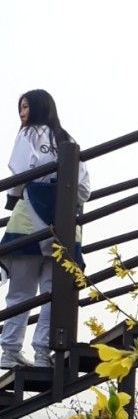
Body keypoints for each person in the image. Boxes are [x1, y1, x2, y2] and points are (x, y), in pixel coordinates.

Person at [0, 90, 90, 369]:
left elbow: (19, 170)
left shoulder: (27, 135)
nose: (22, 113)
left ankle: (10, 350)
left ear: (38, 107)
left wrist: (14, 196)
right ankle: (42, 354)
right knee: (54, 291)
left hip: (28, 219)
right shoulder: (68, 139)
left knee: (20, 292)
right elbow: (84, 186)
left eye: (25, 107)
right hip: (63, 221)